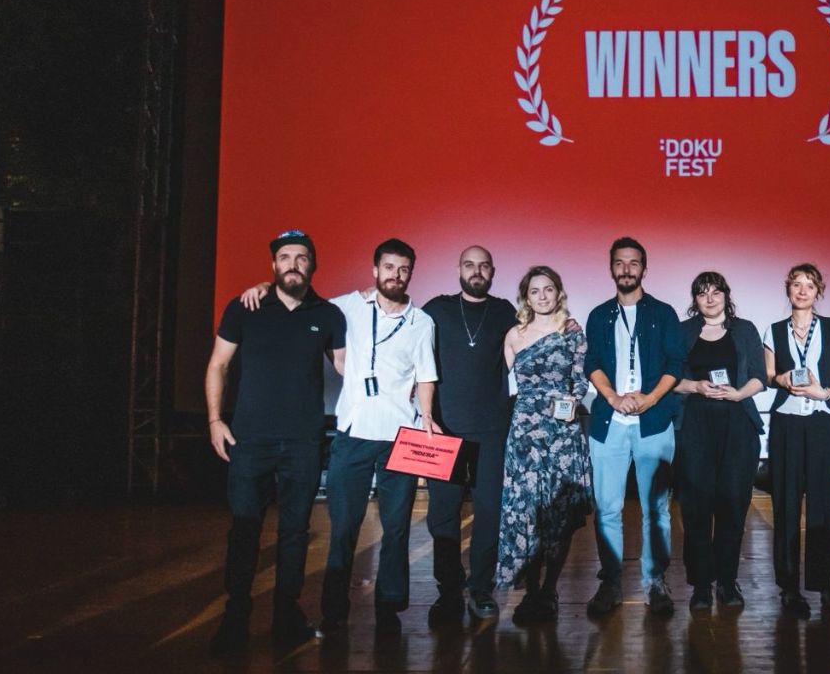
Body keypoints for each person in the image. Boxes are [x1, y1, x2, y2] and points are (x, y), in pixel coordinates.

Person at [235, 238, 438, 635]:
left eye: (403, 269)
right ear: (375, 270)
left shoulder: (422, 322)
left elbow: (426, 375)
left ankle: (389, 609)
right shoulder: (346, 307)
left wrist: (427, 415)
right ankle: (333, 613)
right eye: (389, 267)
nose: (395, 275)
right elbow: (299, 300)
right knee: (344, 529)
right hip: (352, 434)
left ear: (411, 274)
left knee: (397, 528)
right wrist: (263, 286)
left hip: (402, 436)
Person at [205, 230, 347, 655]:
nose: (293, 264)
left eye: (302, 257)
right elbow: (218, 365)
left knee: (295, 532)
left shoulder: (329, 314)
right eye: (285, 257)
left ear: (312, 265)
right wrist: (214, 420)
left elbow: (349, 369)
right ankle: (235, 620)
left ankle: (287, 618)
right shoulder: (245, 307)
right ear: (273, 265)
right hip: (250, 441)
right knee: (244, 530)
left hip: (304, 442)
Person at [584, 236, 684, 617]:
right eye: (620, 263)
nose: (626, 269)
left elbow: (676, 364)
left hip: (653, 423)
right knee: (607, 509)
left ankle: (655, 582)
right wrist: (612, 397)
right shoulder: (598, 315)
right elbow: (592, 362)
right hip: (609, 423)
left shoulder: (664, 313)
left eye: (634, 262)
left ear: (644, 268)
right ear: (611, 268)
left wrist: (651, 399)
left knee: (656, 509)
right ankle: (610, 582)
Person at [421, 246, 518, 625]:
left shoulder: (505, 311)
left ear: (493, 271)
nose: (476, 271)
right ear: (458, 269)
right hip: (444, 429)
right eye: (469, 265)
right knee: (442, 516)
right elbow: (399, 325)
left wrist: (567, 325)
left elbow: (536, 333)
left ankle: (481, 588)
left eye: (483, 266)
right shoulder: (437, 309)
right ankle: (448, 591)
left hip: (492, 431)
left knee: (489, 513)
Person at [494, 266, 592, 623]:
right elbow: (498, 384)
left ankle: (549, 590)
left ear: (558, 292)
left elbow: (581, 380)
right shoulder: (514, 335)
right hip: (525, 435)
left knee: (559, 515)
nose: (542, 296)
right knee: (528, 514)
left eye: (548, 289)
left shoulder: (572, 332)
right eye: (534, 291)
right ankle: (531, 592)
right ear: (526, 297)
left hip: (561, 435)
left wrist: (573, 402)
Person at [762, 263, 830, 618]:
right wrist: (783, 379)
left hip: (823, 423)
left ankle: (826, 587)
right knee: (785, 506)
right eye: (796, 284)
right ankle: (789, 588)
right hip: (786, 424)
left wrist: (823, 392)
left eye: (809, 285)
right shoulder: (774, 330)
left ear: (819, 291)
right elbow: (769, 375)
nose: (802, 291)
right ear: (788, 289)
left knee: (823, 507)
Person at [672, 271, 767, 612]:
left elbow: (760, 376)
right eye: (702, 293)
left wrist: (738, 393)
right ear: (695, 299)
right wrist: (695, 386)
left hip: (737, 424)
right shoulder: (683, 332)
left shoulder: (745, 330)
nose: (710, 298)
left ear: (726, 295)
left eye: (716, 291)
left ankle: (727, 581)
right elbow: (669, 378)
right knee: (696, 507)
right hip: (695, 425)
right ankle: (701, 585)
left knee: (733, 504)